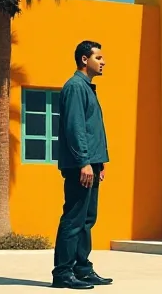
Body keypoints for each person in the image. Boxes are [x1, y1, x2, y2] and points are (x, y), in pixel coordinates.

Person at [51, 40, 112, 289]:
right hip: (81, 165)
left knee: (87, 219)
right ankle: (63, 273)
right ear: (84, 60)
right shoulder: (76, 87)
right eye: (99, 57)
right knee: (74, 218)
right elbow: (75, 128)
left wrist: (99, 163)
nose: (103, 62)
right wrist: (84, 162)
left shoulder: (87, 88)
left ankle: (82, 269)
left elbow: (91, 128)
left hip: (91, 163)